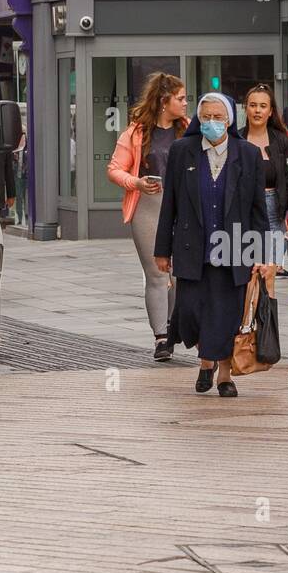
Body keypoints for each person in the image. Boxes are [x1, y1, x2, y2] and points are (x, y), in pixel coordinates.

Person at [154, 92, 270, 397]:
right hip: (193, 247)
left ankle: (223, 375)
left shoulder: (247, 154)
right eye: (206, 117)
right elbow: (171, 204)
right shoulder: (183, 151)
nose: (212, 123)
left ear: (230, 120)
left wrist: (262, 253)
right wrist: (162, 250)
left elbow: (259, 210)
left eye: (218, 117)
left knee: (226, 313)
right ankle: (205, 361)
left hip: (235, 249)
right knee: (193, 311)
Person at [107, 72, 189, 361]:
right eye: (180, 98)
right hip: (148, 205)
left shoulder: (189, 129)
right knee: (156, 273)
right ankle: (161, 337)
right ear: (164, 101)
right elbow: (115, 169)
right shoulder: (136, 133)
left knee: (180, 272)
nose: (185, 103)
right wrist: (137, 182)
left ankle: (174, 325)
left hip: (182, 206)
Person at [243, 83, 288, 282]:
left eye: (263, 106)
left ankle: (267, 315)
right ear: (246, 108)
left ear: (270, 111)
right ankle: (245, 315)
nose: (257, 110)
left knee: (268, 276)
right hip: (244, 216)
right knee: (248, 278)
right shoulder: (236, 140)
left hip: (274, 214)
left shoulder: (281, 141)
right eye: (253, 105)